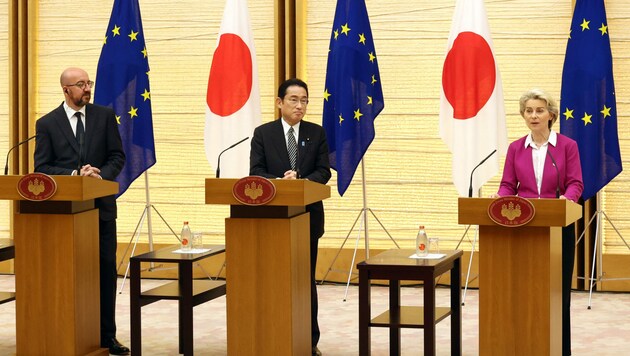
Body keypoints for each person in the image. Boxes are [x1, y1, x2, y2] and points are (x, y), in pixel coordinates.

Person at [34, 67, 128, 355]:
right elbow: (42, 168)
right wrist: (75, 174)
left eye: (89, 83)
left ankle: (106, 336)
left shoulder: (103, 116)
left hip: (100, 211)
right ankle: (69, 330)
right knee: (69, 274)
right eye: (81, 84)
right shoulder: (47, 124)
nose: (87, 88)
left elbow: (117, 156)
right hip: (64, 217)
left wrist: (99, 175)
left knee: (104, 273)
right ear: (66, 90)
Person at [491, 88, 583, 356]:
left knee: (556, 294)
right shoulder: (515, 148)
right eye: (529, 111)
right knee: (524, 292)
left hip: (558, 227)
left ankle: (559, 349)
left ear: (551, 115)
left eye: (539, 110)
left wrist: (567, 199)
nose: (534, 115)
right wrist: (500, 197)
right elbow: (508, 185)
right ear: (523, 115)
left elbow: (576, 183)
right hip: (523, 229)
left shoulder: (567, 147)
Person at [250, 78, 331, 356]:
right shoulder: (263, 133)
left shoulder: (316, 133)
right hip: (272, 220)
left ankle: (309, 340)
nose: (300, 105)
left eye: (304, 100)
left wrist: (301, 180)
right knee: (273, 279)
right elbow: (256, 170)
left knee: (304, 279)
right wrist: (278, 181)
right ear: (279, 102)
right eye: (294, 99)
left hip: (307, 217)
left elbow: (324, 172)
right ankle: (273, 334)